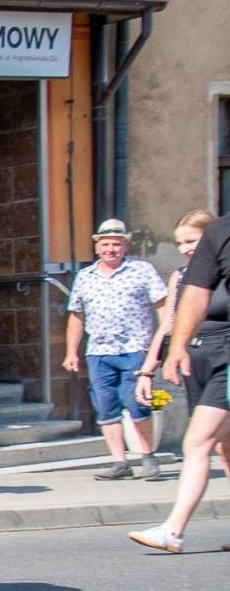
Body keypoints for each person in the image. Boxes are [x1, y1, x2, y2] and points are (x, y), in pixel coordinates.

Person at [129, 211, 230, 552]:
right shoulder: (183, 277)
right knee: (224, 449)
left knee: (197, 442)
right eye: (180, 243)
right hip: (198, 360)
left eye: (192, 241)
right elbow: (168, 324)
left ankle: (173, 530)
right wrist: (149, 369)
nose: (186, 249)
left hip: (226, 357)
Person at [63, 218, 169, 481]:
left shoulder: (142, 270)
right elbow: (77, 316)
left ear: (126, 246)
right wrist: (71, 351)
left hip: (135, 348)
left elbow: (163, 307)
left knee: (136, 402)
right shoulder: (85, 276)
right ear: (97, 247)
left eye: (117, 244)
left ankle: (147, 456)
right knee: (105, 407)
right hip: (99, 351)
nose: (111, 249)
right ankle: (119, 461)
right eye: (106, 244)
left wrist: (164, 341)